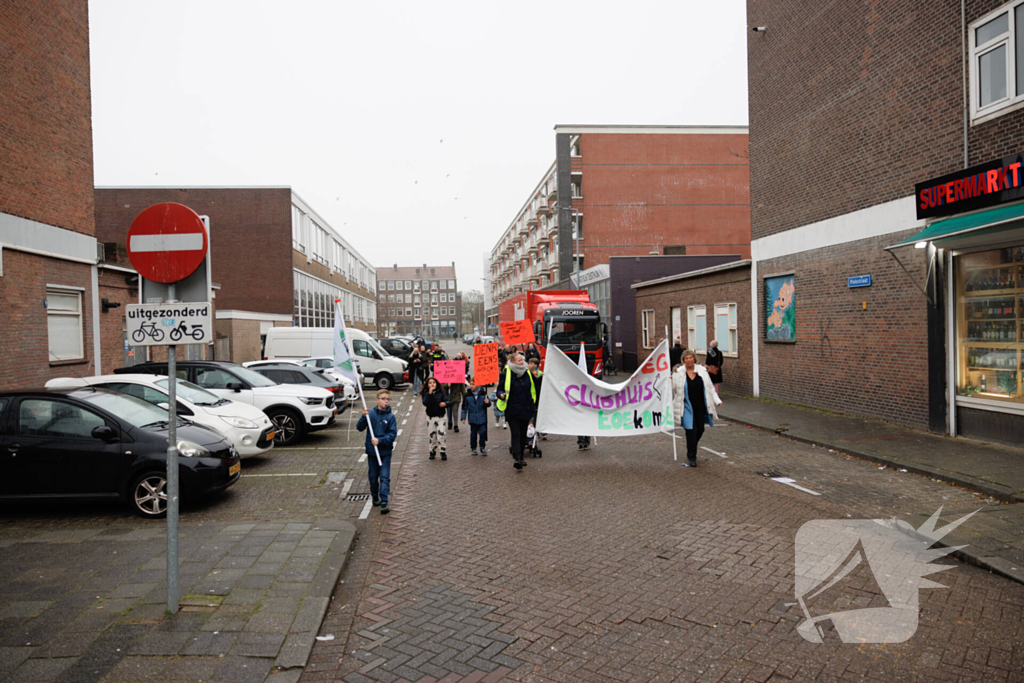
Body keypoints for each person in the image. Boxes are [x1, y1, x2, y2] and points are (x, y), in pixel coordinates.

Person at [672, 349, 721, 467]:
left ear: (694, 359)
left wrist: (717, 401)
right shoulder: (678, 374)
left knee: (700, 430)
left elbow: (710, 388)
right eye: (686, 358)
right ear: (683, 361)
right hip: (686, 407)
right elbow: (671, 390)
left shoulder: (702, 372)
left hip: (700, 406)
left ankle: (692, 445)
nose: (689, 360)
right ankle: (692, 456)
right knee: (691, 431)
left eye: (690, 358)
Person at [356, 389, 398, 514]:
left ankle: (384, 501)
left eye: (388, 399)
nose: (386, 401)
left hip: (385, 453)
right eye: (383, 398)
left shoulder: (390, 417)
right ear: (377, 400)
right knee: (373, 477)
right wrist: (364, 417)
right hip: (372, 452)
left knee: (384, 477)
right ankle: (375, 494)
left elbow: (392, 434)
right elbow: (359, 428)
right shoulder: (370, 414)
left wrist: (380, 441)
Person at [495, 352, 538, 471]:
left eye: (523, 360)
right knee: (516, 433)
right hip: (513, 409)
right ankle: (517, 458)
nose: (522, 362)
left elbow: (536, 384)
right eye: (519, 360)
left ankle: (521, 456)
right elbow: (499, 389)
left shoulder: (527, 372)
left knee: (523, 433)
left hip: (526, 408)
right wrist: (501, 394)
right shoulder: (506, 373)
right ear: (513, 362)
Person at [421, 377, 449, 460]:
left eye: (434, 382)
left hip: (440, 417)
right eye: (430, 383)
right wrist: (430, 393)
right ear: (427, 385)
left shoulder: (441, 392)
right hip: (431, 417)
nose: (432, 384)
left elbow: (447, 401)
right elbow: (425, 403)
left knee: (441, 435)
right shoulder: (425, 393)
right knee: (432, 435)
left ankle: (443, 451)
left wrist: (445, 404)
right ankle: (432, 451)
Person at [461, 379, 491, 455]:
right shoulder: (467, 395)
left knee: (483, 432)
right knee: (473, 434)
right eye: (470, 384)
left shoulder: (483, 393)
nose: (471, 386)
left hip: (482, 417)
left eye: (473, 384)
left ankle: (482, 447)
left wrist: (488, 402)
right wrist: (463, 417)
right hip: (473, 418)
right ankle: (473, 448)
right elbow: (464, 407)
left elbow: (488, 404)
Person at [446, 358, 466, 432]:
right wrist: (447, 385)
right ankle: (450, 422)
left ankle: (455, 425)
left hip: (456, 395)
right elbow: (441, 385)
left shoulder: (459, 373)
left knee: (455, 410)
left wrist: (464, 396)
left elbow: (462, 386)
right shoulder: (444, 373)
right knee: (449, 410)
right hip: (447, 396)